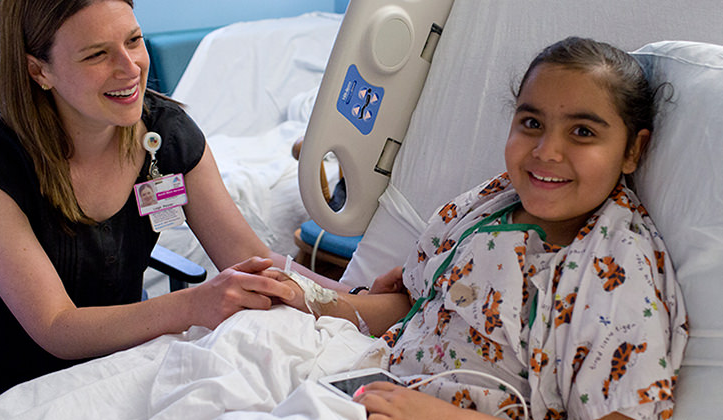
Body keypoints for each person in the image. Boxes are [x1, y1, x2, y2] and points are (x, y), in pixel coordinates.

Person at [0, 0, 343, 413]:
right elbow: (56, 326)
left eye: (133, 40)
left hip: (126, 369)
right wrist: (195, 304)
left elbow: (256, 259)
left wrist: (355, 295)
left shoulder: (166, 134)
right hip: (17, 392)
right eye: (97, 54)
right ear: (39, 71)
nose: (130, 68)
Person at [278, 37, 688, 419]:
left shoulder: (616, 273)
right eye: (531, 123)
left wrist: (436, 414)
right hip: (372, 380)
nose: (547, 151)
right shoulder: (489, 204)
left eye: (583, 132)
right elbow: (417, 306)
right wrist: (308, 298)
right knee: (258, 332)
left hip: (422, 406)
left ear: (634, 149)